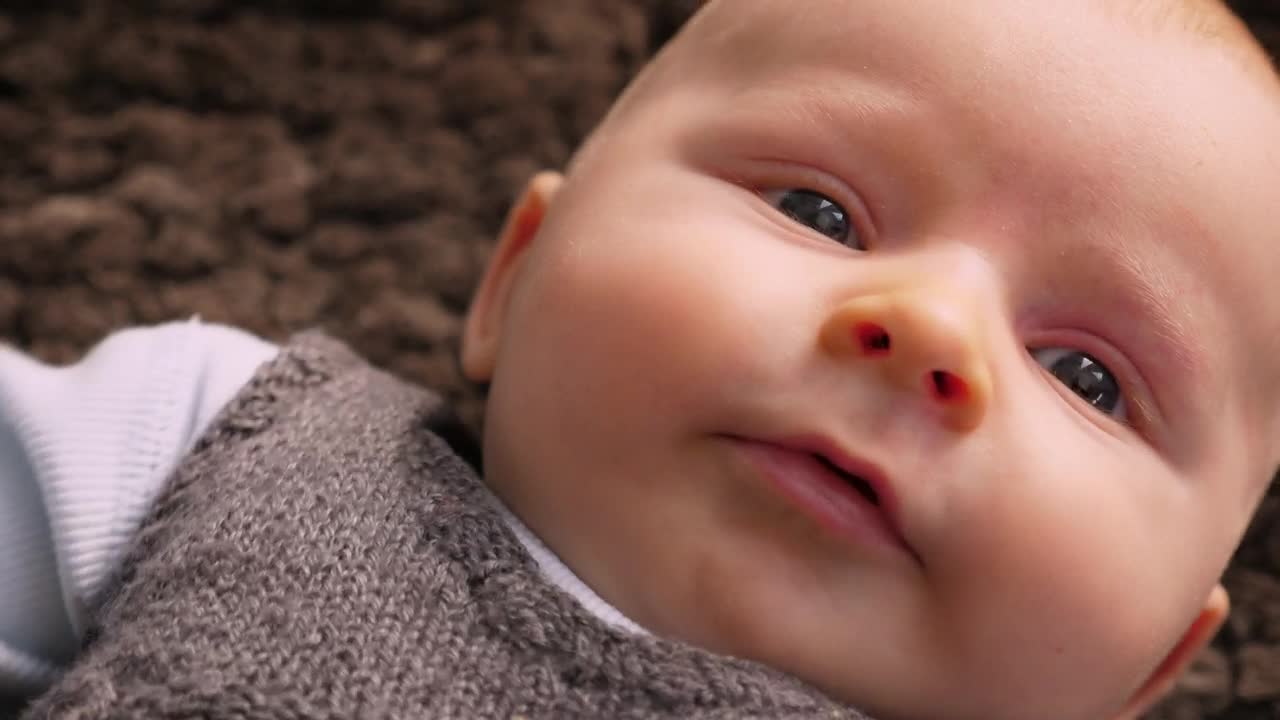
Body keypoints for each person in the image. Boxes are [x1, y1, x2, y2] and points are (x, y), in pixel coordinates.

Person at [3, 1, 1279, 718]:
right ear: (516, 278)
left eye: (1087, 376)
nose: (931, 328)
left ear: (1152, 670)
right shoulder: (224, 439)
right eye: (817, 212)